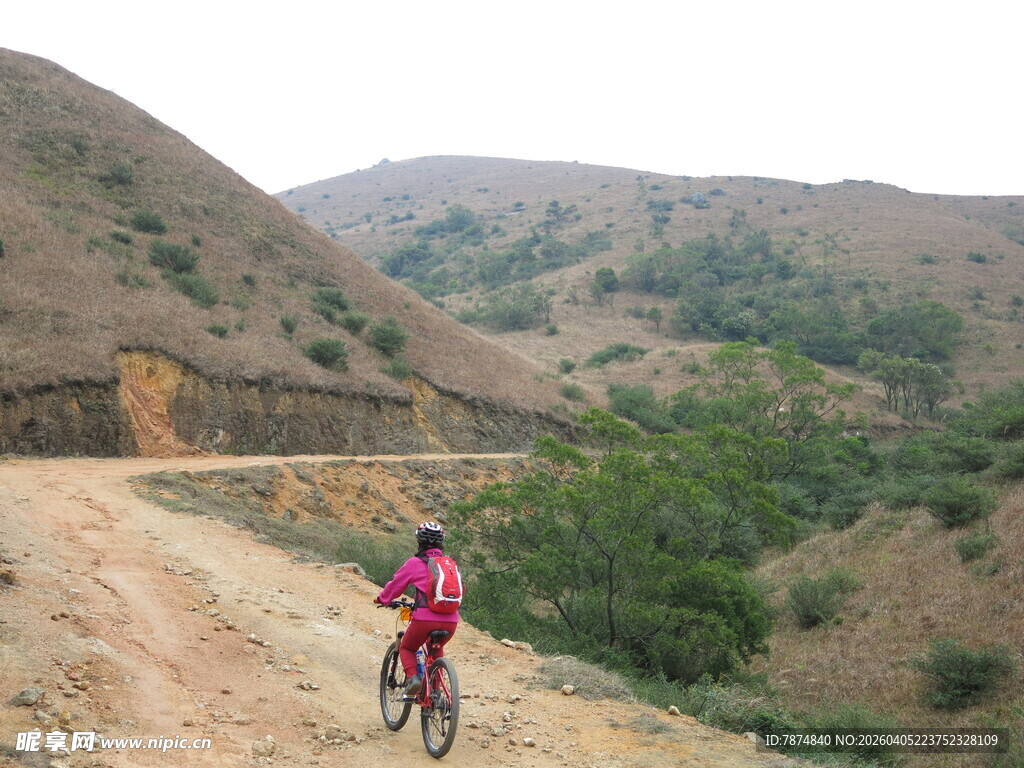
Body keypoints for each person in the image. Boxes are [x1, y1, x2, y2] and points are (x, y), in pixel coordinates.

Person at [374, 521, 460, 696]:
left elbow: (396, 586)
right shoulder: (450, 565)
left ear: (419, 541)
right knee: (437, 649)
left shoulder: (414, 563)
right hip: (451, 620)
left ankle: (413, 679)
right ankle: (436, 692)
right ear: (441, 543)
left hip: (424, 619)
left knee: (407, 647)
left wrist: (383, 599)